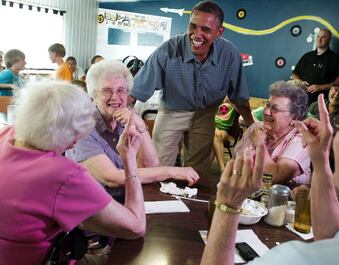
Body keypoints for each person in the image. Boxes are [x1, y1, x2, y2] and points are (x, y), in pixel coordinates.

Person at [200, 58, 339, 265]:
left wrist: (227, 207)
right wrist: (319, 161)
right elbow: (334, 233)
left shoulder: (298, 259)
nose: (334, 137)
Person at [0, 81, 146, 265]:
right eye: (75, 134)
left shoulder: (6, 135)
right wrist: (130, 159)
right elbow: (135, 227)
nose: (75, 143)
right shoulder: (62, 175)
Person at [131, 1, 254, 176]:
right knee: (157, 165)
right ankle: (155, 201)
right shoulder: (168, 51)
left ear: (219, 32)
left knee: (197, 172)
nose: (196, 35)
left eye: (205, 30)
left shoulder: (229, 54)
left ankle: (188, 202)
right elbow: (136, 90)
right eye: (193, 27)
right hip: (171, 111)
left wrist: (251, 125)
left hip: (205, 114)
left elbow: (239, 97)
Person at [65, 60, 199, 203]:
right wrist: (172, 171)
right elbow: (111, 178)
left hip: (122, 200)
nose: (115, 97)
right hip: (87, 206)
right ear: (93, 95)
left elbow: (150, 165)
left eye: (121, 90)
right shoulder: (82, 126)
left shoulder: (126, 118)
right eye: (107, 90)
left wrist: (140, 126)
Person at [235, 81, 310, 188]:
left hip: (282, 201)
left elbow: (273, 177)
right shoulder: (256, 129)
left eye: (275, 109)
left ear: (294, 117)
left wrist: (259, 145)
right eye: (267, 105)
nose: (266, 112)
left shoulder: (301, 141)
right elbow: (235, 165)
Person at [292, 28, 339, 105]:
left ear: (329, 40)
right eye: (318, 36)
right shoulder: (307, 56)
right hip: (300, 100)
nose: (319, 39)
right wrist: (300, 82)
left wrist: (321, 87)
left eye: (323, 37)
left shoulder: (336, 59)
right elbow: (295, 74)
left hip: (321, 103)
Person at [213, 99, 237, 172]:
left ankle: (222, 168)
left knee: (217, 135)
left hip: (224, 130)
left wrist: (231, 101)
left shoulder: (235, 100)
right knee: (215, 135)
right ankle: (221, 168)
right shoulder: (215, 97)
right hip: (210, 125)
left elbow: (242, 111)